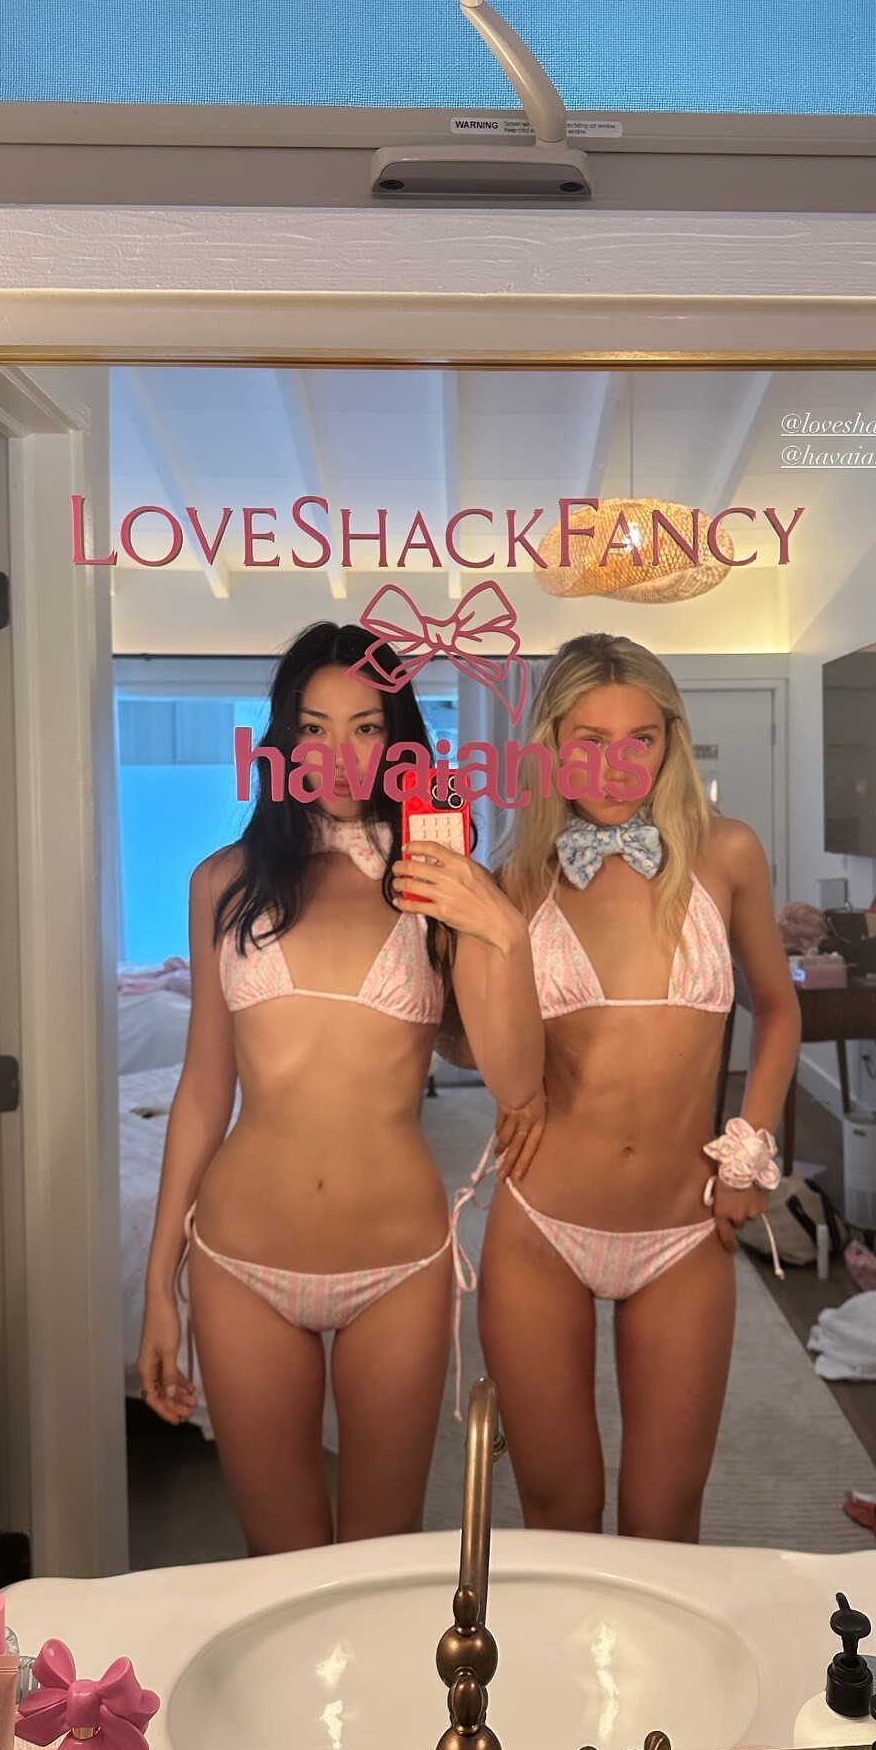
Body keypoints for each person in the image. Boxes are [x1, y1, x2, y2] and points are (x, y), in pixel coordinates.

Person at [136, 621, 542, 1554]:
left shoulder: (440, 884)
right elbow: (202, 1091)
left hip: (397, 1265)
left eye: (367, 727)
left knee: (381, 1562)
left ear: (400, 741)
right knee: (278, 1565)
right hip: (239, 1259)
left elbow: (515, 1081)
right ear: (283, 741)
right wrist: (160, 1283)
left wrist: (502, 930)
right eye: (314, 728)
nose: (340, 755)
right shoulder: (221, 884)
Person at [478, 632, 801, 1544]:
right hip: (540, 1226)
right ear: (549, 744)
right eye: (588, 739)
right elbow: (475, 1050)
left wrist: (750, 1149)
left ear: (670, 741)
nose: (616, 767)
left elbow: (779, 1010)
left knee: (665, 1521)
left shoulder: (727, 854)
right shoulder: (517, 879)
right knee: (559, 1512)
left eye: (640, 739)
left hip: (683, 1229)